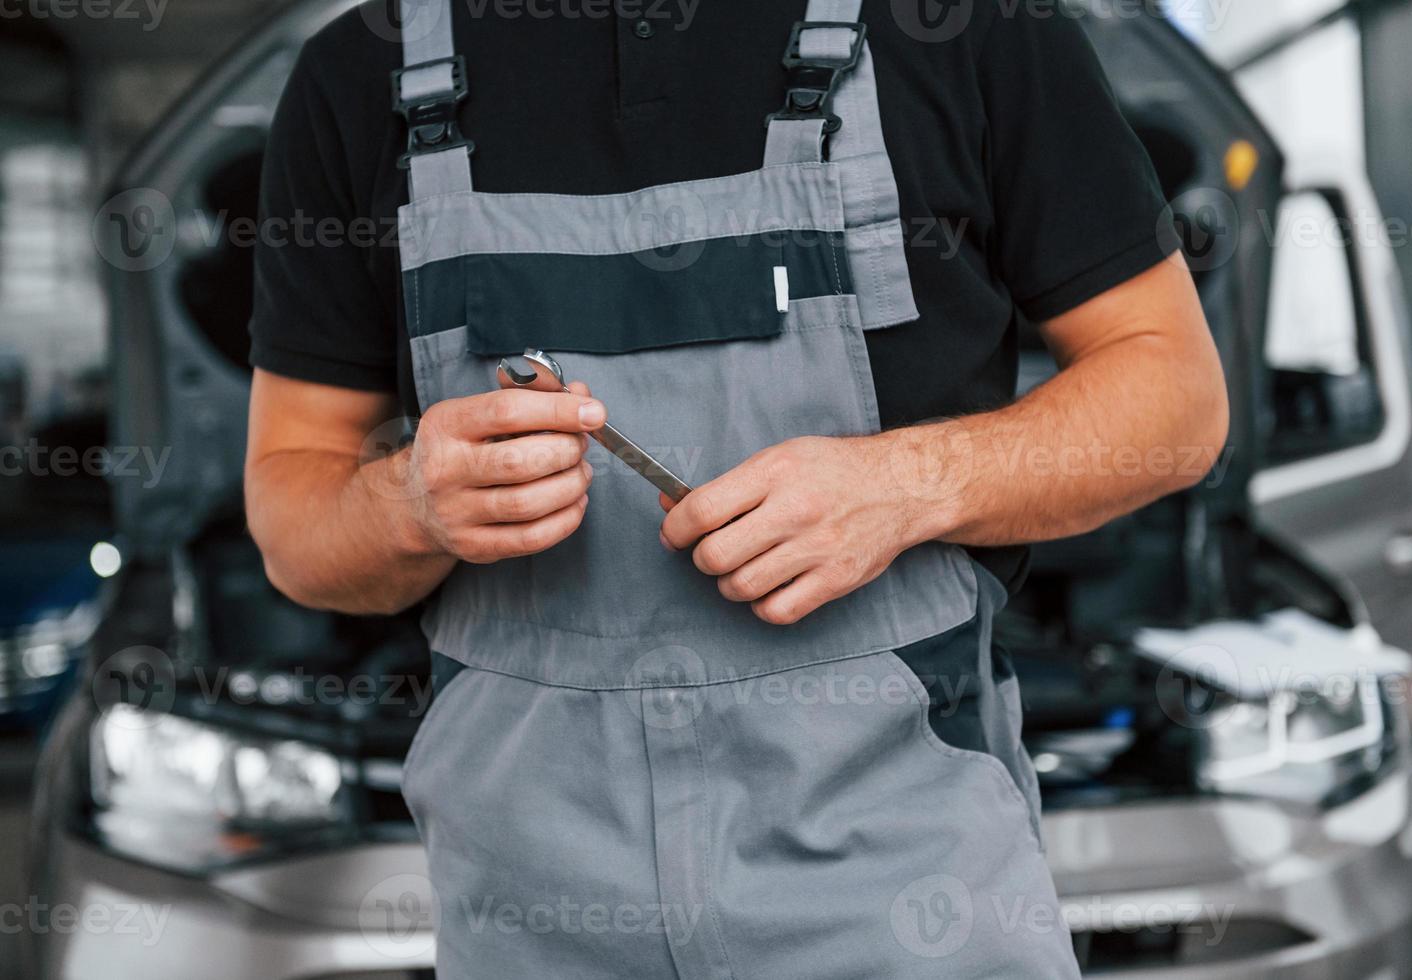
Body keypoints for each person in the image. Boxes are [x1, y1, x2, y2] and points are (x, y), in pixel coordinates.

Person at [244, 1, 1226, 976]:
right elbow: (293, 519)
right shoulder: (362, 75)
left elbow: (1174, 397)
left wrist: (907, 483)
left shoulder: (963, 28)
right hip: (530, 912)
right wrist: (411, 506)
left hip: (904, 897)